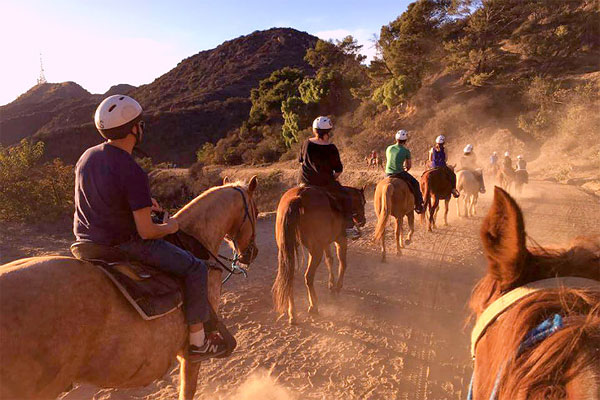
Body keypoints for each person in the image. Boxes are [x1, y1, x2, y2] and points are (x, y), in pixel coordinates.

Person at [74, 95, 229, 362]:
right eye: (140, 124)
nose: (142, 128)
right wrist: (170, 226)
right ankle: (197, 341)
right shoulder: (132, 169)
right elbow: (146, 232)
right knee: (196, 268)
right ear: (134, 129)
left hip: (85, 244)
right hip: (121, 245)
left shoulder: (87, 157)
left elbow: (102, 198)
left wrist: (143, 204)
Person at [298, 116, 360, 240]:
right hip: (324, 183)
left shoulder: (306, 143)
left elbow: (300, 162)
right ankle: (348, 227)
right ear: (328, 132)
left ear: (315, 130)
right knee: (345, 197)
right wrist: (332, 178)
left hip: (304, 182)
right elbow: (338, 170)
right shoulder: (331, 147)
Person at [385, 129, 424, 213]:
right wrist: (405, 168)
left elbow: (389, 159)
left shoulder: (389, 148)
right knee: (416, 183)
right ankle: (418, 204)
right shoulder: (406, 151)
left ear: (396, 139)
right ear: (405, 140)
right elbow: (408, 166)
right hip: (399, 174)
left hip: (387, 173)